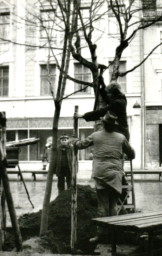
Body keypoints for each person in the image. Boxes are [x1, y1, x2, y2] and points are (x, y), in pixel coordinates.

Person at [74, 111, 135, 242]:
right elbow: (132, 153)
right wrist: (124, 155)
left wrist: (74, 141)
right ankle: (114, 234)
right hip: (115, 174)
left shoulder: (95, 136)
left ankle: (101, 235)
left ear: (103, 124)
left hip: (100, 174)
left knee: (102, 205)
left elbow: (80, 145)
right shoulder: (121, 138)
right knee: (113, 205)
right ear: (114, 125)